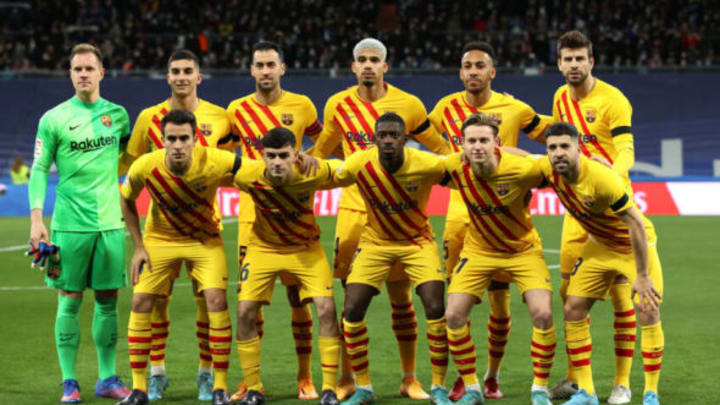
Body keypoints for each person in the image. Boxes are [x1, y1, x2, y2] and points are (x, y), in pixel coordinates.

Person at [309, 37, 450, 401]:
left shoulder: (410, 105)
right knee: (350, 300)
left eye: (375, 60)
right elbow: (321, 152)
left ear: (385, 66)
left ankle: (409, 378)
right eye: (361, 60)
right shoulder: (337, 104)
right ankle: (347, 378)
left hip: (401, 212)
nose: (368, 65)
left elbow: (441, 149)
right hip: (355, 210)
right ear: (352, 66)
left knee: (402, 297)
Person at [428, 41, 551, 400]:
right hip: (460, 217)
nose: (473, 72)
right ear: (460, 72)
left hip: (507, 212)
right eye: (467, 66)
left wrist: (515, 155)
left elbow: (552, 137)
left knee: (501, 306)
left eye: (480, 66)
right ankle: (462, 379)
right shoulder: (445, 108)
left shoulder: (514, 108)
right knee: (456, 307)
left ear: (492, 72)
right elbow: (417, 132)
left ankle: (492, 374)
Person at [548, 31, 662, 405]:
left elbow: (627, 148)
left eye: (580, 58)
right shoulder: (560, 98)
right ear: (560, 63)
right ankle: (579, 379)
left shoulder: (613, 100)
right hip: (576, 211)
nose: (574, 65)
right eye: (567, 59)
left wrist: (612, 172)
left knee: (622, 299)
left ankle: (622, 382)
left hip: (608, 201)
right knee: (570, 295)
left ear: (591, 62)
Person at [118, 48, 233, 401]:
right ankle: (156, 373)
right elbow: (132, 165)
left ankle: (206, 374)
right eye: (175, 71)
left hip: (204, 228)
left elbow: (233, 166)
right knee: (155, 303)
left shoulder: (221, 117)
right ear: (167, 77)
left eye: (188, 70)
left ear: (199, 76)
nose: (181, 76)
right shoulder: (148, 118)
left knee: (207, 302)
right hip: (160, 229)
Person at [28, 43, 132, 404]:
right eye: (77, 69)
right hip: (69, 226)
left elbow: (125, 161)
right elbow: (40, 169)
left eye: (89, 68)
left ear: (101, 73)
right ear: (70, 74)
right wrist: (37, 219)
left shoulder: (118, 116)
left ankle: (107, 378)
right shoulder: (53, 118)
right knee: (69, 300)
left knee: (108, 300)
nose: (83, 74)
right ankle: (69, 382)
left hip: (110, 225)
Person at [537, 123, 664, 405]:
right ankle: (587, 393)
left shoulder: (601, 179)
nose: (558, 153)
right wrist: (483, 150)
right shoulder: (548, 169)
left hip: (633, 247)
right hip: (599, 245)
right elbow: (518, 156)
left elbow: (636, 225)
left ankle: (651, 393)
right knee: (573, 308)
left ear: (578, 147)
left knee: (648, 308)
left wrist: (642, 275)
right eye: (552, 147)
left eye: (565, 146)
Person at [329, 112, 450, 405]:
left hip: (417, 243)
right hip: (375, 243)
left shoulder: (427, 164)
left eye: (394, 135)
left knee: (435, 307)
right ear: (374, 139)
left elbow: (464, 174)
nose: (387, 140)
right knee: (352, 308)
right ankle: (364, 388)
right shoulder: (360, 162)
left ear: (405, 139)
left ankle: (438, 386)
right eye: (382, 135)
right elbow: (327, 176)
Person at [226, 41, 324, 401]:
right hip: (252, 220)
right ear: (251, 70)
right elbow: (223, 154)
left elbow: (324, 139)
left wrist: (312, 160)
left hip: (295, 219)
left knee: (299, 300)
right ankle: (250, 381)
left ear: (282, 69)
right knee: (250, 302)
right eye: (259, 65)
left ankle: (305, 376)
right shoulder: (236, 110)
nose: (265, 71)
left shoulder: (302, 105)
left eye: (271, 64)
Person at [441, 113, 556, 405]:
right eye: (471, 141)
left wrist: (599, 164)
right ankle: (472, 388)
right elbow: (411, 166)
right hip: (478, 252)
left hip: (522, 251)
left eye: (483, 140)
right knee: (453, 315)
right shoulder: (453, 167)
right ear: (462, 145)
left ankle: (540, 390)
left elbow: (561, 166)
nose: (477, 146)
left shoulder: (523, 169)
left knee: (543, 314)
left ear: (497, 143)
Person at [232, 127, 342, 405]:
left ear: (296, 154)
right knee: (245, 311)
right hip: (263, 249)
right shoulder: (247, 175)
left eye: (284, 155)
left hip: (305, 249)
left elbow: (346, 167)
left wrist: (320, 160)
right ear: (262, 156)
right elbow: (212, 166)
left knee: (327, 308)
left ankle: (328, 388)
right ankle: (254, 388)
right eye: (271, 156)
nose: (277, 162)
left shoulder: (313, 171)